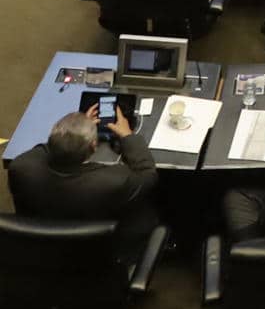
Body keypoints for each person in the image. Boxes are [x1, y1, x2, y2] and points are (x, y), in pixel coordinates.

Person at [6, 104, 155, 251]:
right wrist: (128, 136)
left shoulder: (20, 167)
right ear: (93, 145)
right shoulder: (113, 182)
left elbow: (44, 149)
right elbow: (148, 174)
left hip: (36, 250)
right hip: (94, 257)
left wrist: (70, 133)